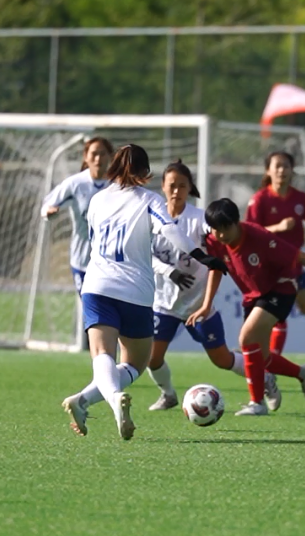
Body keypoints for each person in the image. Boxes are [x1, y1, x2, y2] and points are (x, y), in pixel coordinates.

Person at [59, 145, 226, 440]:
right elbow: (172, 231)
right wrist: (203, 257)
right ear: (145, 172)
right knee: (135, 363)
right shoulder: (149, 200)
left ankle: (82, 401)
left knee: (102, 355)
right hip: (135, 292)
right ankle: (113, 400)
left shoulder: (97, 200)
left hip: (96, 286)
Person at [188, 198, 305, 416]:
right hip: (253, 296)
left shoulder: (259, 237)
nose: (220, 235)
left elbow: (301, 256)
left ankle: (257, 403)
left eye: (225, 228)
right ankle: (303, 374)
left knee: (246, 338)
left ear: (237, 222)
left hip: (281, 289)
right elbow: (216, 269)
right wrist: (206, 305)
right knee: (262, 357)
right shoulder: (214, 241)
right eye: (216, 229)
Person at [144, 160, 278, 412]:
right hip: (164, 303)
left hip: (197, 304)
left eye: (182, 186)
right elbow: (144, 252)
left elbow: (219, 233)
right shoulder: (153, 217)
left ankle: (267, 378)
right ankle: (168, 394)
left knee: (222, 359)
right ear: (162, 186)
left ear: (189, 188)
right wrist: (168, 271)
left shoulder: (198, 218)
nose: (176, 191)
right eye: (172, 185)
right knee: (152, 358)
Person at [245, 151, 305, 362]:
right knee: (276, 313)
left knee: (302, 307)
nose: (281, 170)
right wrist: (278, 227)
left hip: (293, 262)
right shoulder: (259, 200)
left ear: (292, 170)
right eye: (277, 166)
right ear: (268, 171)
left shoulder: (300, 198)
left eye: (286, 166)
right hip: (267, 265)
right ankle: (271, 360)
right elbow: (251, 231)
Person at [40, 137, 114, 294]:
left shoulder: (118, 186)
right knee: (94, 311)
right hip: (83, 261)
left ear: (110, 157)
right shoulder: (75, 184)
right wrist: (48, 213)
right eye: (94, 154)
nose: (98, 158)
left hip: (111, 264)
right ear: (85, 157)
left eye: (103, 154)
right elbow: (47, 205)